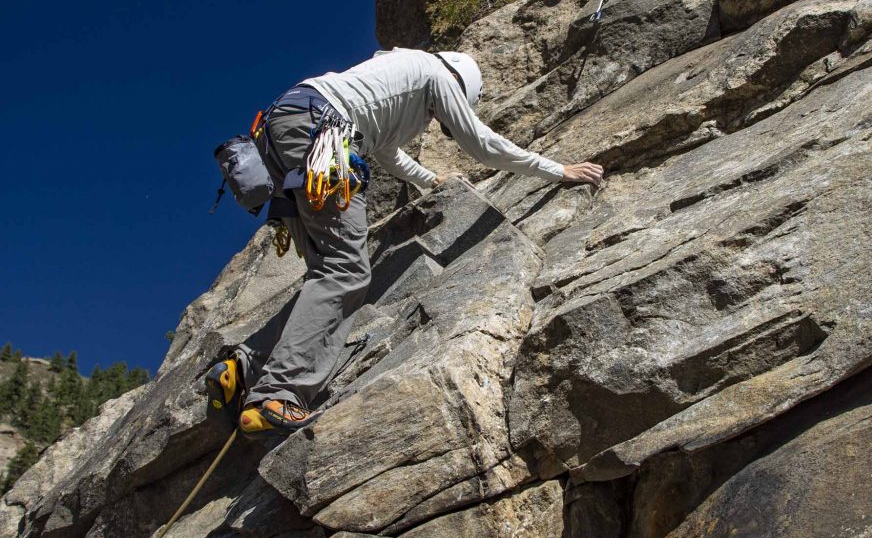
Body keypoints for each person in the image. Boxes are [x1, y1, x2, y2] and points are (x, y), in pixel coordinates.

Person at [206, 47, 603, 433]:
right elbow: (481, 144)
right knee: (346, 271)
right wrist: (557, 170)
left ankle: (242, 366)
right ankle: (277, 393)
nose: (440, 122)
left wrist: (429, 180)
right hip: (319, 135)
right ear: (457, 83)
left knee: (326, 275)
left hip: (283, 132)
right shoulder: (435, 73)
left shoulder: (396, 72)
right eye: (446, 115)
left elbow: (387, 152)